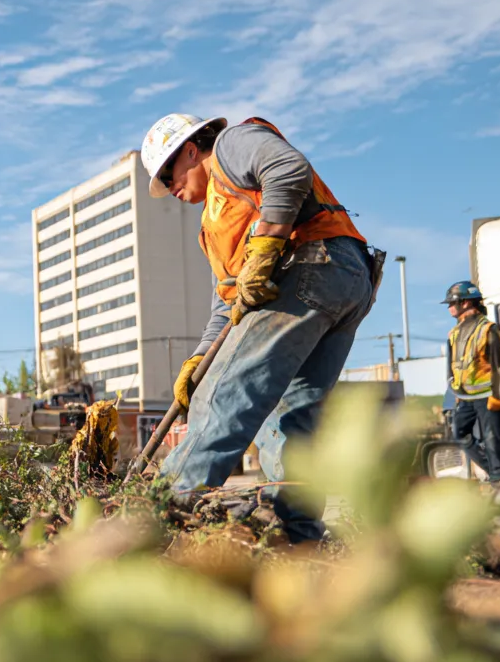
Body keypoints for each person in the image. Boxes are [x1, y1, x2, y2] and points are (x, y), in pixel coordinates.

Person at [140, 112, 384, 544]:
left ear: (191, 150)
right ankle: (299, 540)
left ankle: (154, 522)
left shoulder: (230, 147)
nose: (169, 188)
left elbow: (288, 168)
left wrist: (268, 244)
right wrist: (199, 359)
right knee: (294, 421)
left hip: (313, 267)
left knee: (220, 398)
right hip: (344, 284)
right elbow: (228, 302)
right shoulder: (212, 226)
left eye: (167, 174)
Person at [444, 280, 500, 482]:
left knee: (494, 441)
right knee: (460, 434)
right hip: (466, 398)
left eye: (452, 302)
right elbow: (455, 367)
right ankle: (498, 474)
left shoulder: (488, 329)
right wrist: (457, 393)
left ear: (466, 302)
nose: (449, 307)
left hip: (489, 395)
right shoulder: (454, 333)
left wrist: (499, 396)